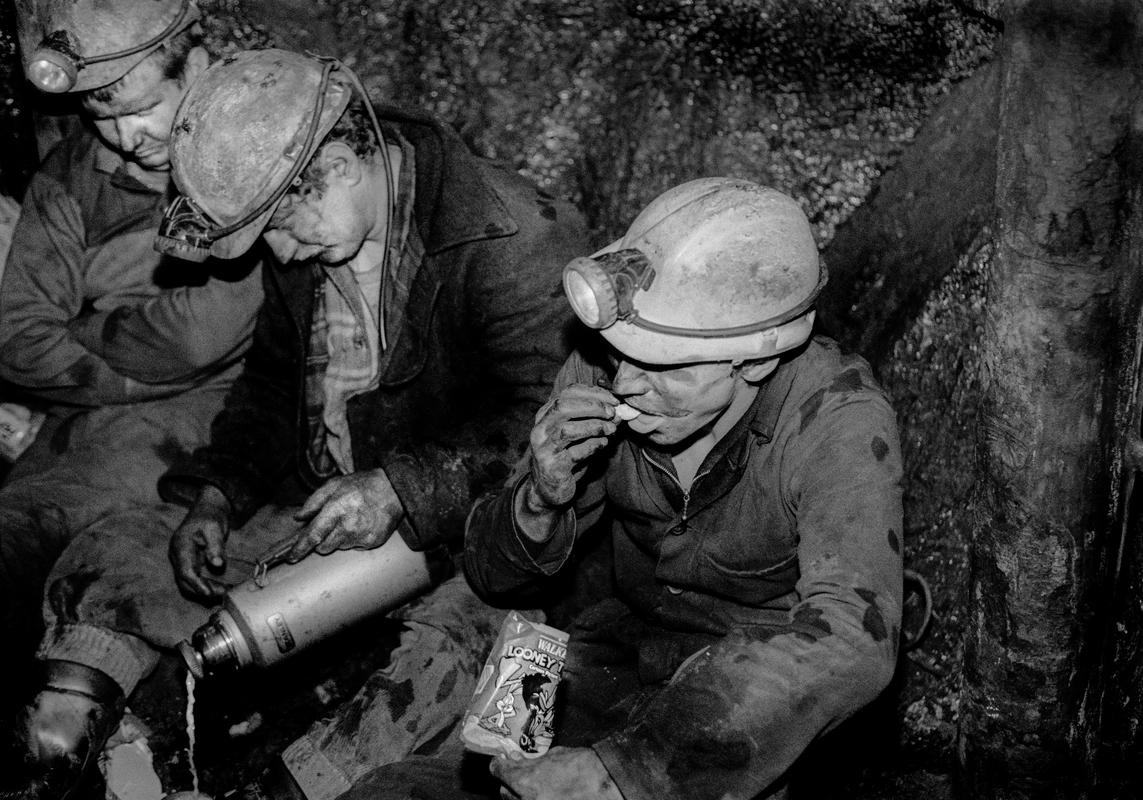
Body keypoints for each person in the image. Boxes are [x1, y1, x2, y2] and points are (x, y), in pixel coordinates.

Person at [33, 47, 589, 799]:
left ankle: (289, 790)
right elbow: (269, 386)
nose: (279, 252)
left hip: (482, 534)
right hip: (330, 504)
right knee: (119, 552)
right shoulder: (309, 227)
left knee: (458, 663)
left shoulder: (512, 240)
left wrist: (402, 487)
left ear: (340, 161)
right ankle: (58, 740)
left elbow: (551, 420)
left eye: (282, 223)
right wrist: (219, 494)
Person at [340, 176, 905, 800]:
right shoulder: (600, 368)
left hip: (741, 698)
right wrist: (540, 496)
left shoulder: (837, 418)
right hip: (607, 650)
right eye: (623, 354)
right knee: (410, 790)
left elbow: (854, 636)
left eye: (665, 365)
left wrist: (621, 774)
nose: (629, 383)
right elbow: (494, 579)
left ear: (757, 359)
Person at [1, 0, 263, 790]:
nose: (123, 134)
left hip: (212, 433)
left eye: (142, 104)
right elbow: (16, 338)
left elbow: (209, 330)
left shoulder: (260, 145)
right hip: (81, 429)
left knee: (83, 556)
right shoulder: (77, 169)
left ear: (200, 59)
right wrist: (125, 359)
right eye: (97, 108)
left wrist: (80, 332)